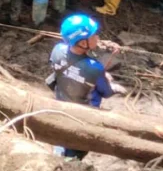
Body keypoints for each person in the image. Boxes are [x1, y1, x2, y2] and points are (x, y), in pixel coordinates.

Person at [48, 14, 117, 159]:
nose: (97, 38)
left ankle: (58, 154)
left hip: (62, 106)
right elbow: (106, 92)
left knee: (61, 139)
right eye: (93, 36)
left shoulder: (58, 49)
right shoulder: (94, 68)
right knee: (75, 151)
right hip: (84, 116)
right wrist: (105, 78)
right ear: (82, 43)